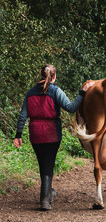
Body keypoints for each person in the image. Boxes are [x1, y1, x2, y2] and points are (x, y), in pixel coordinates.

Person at [13, 65, 94, 211]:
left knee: (42, 163)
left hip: (35, 134)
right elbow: (71, 107)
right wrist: (82, 93)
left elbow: (23, 116)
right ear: (54, 76)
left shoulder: (30, 93)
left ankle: (48, 193)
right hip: (52, 133)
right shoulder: (56, 91)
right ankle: (44, 200)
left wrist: (18, 135)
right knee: (48, 164)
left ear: (40, 75)